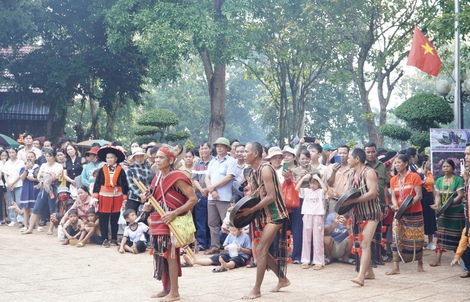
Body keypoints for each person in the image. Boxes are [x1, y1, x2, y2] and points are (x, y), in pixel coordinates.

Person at [144, 144, 197, 301]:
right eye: (157, 157)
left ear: (170, 159)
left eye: (161, 157)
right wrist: (148, 205)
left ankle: (175, 292)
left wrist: (174, 213)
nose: (157, 159)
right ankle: (166, 288)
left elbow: (193, 199)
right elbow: (155, 198)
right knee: (160, 254)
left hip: (173, 220)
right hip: (158, 220)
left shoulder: (177, 177)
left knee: (171, 254)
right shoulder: (157, 177)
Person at [239, 142, 290, 300]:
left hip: (276, 215)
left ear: (255, 153)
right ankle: (282, 279)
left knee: (260, 250)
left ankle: (257, 289)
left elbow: (271, 196)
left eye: (246, 151)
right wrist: (238, 209)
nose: (243, 154)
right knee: (262, 251)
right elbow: (254, 196)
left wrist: (251, 210)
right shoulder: (253, 172)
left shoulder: (266, 169)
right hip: (264, 216)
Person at [341, 148, 381, 286]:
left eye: (350, 157)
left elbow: (373, 193)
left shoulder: (369, 172)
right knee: (359, 244)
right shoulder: (351, 174)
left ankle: (361, 277)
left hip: (371, 213)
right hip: (357, 214)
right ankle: (369, 272)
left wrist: (352, 202)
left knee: (364, 243)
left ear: (357, 159)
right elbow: (346, 194)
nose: (347, 159)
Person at [386, 154, 425, 275]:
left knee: (416, 238)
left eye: (399, 162)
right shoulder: (393, 179)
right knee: (396, 238)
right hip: (399, 214)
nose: (396, 165)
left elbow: (419, 195)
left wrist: (407, 205)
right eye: (395, 163)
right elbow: (393, 196)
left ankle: (420, 264)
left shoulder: (414, 177)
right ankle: (396, 267)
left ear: (406, 163)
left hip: (414, 212)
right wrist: (395, 206)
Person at [204, 137, 237, 255]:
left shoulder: (231, 161)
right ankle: (215, 246)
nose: (219, 148)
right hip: (212, 197)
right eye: (217, 146)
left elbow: (229, 177)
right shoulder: (212, 161)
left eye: (222, 146)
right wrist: (211, 190)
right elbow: (207, 177)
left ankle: (229, 246)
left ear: (227, 148)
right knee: (212, 223)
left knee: (227, 222)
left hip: (225, 196)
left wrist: (212, 187)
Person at [430, 159, 465, 267]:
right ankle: (437, 260)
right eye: (444, 166)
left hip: (456, 212)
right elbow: (437, 195)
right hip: (444, 213)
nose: (445, 168)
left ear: (453, 168)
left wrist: (450, 203)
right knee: (441, 236)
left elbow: (460, 195)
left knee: (458, 236)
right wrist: (437, 205)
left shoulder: (458, 180)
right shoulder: (439, 180)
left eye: (448, 166)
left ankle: (461, 260)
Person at [92, 146, 129, 247]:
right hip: (104, 196)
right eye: (108, 158)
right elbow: (97, 184)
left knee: (114, 218)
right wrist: (95, 197)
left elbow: (124, 185)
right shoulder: (101, 170)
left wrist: (125, 198)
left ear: (116, 159)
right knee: (103, 218)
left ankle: (114, 238)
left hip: (117, 196)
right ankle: (105, 238)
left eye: (111, 157)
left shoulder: (121, 170)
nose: (109, 159)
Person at [23, 149, 63, 234]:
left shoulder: (58, 165)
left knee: (52, 208)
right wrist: (46, 176)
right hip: (43, 188)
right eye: (47, 156)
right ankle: (30, 228)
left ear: (54, 157)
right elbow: (38, 177)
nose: (48, 158)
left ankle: (51, 228)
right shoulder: (44, 165)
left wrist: (45, 176)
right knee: (36, 207)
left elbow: (54, 176)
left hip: (53, 188)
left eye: (50, 156)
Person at [182, 224, 252, 272]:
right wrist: (227, 248)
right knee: (215, 258)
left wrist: (241, 249)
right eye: (231, 230)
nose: (232, 232)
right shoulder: (230, 235)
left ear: (240, 229)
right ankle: (193, 261)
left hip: (241, 256)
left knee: (235, 260)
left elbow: (249, 251)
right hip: (229, 254)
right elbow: (225, 246)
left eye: (234, 231)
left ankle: (226, 265)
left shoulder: (245, 237)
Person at [295, 173, 327, 270]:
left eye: (315, 183)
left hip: (318, 215)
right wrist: (303, 178)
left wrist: (319, 179)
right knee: (306, 238)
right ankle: (305, 260)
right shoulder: (306, 191)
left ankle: (319, 261)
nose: (313, 185)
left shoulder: (321, 191)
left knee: (318, 239)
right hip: (307, 214)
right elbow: (296, 188)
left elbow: (326, 190)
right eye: (311, 183)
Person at [191, 141, 213, 252]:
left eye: (206, 148)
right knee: (200, 220)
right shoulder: (197, 163)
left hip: (212, 194)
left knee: (212, 221)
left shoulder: (214, 161)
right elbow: (194, 179)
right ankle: (202, 244)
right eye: (202, 148)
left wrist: (208, 190)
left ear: (210, 149)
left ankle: (212, 243)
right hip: (200, 194)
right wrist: (201, 190)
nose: (204, 150)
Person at [417, 154, 436, 250]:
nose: (430, 163)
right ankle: (421, 241)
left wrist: (435, 201)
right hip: (422, 198)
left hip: (429, 197)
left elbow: (433, 188)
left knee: (430, 219)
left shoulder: (430, 173)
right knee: (422, 218)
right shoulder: (418, 173)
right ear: (424, 163)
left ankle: (430, 241)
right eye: (429, 161)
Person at [125, 147, 153, 213]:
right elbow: (131, 185)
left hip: (146, 196)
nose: (139, 158)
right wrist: (140, 195)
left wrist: (145, 195)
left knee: (144, 217)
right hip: (133, 197)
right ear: (134, 158)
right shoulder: (129, 169)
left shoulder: (148, 169)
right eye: (137, 157)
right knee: (131, 216)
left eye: (141, 156)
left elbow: (150, 183)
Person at [326, 145, 352, 214]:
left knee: (347, 223)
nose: (342, 155)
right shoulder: (331, 167)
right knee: (333, 221)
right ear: (337, 154)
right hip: (333, 200)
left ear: (348, 154)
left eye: (344, 153)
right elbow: (329, 184)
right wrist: (334, 172)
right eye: (340, 153)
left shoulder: (352, 168)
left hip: (348, 201)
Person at [18, 151, 40, 231]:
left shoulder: (38, 167)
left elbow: (40, 178)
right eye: (28, 157)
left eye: (32, 157)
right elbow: (22, 178)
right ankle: (26, 225)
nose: (30, 158)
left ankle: (37, 225)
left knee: (36, 207)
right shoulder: (23, 168)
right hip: (26, 188)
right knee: (26, 208)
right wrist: (26, 169)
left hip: (35, 188)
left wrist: (33, 179)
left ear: (35, 158)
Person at [3, 147, 25, 227]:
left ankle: (21, 219)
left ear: (16, 153)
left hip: (18, 184)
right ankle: (13, 219)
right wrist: (8, 183)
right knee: (10, 201)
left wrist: (12, 183)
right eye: (10, 153)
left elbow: (21, 174)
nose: (11, 154)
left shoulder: (21, 162)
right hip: (9, 184)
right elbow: (5, 174)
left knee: (19, 202)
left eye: (13, 152)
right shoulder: (7, 163)